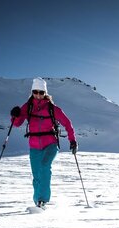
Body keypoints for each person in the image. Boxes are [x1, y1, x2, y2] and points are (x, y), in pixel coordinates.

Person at [10, 77, 78, 208]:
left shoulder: (52, 108)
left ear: (45, 93)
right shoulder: (28, 107)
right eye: (35, 91)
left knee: (44, 166)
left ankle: (43, 199)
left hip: (50, 144)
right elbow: (17, 123)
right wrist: (15, 115)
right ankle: (37, 202)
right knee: (36, 175)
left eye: (41, 92)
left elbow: (68, 124)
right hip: (34, 146)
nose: (38, 95)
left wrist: (73, 140)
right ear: (32, 92)